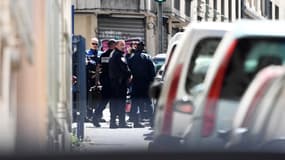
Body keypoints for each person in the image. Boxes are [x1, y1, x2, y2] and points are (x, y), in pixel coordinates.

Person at [127, 41, 156, 128]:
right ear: (143, 48)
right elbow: (153, 71)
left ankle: (136, 122)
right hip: (146, 84)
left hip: (135, 84)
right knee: (148, 103)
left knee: (135, 104)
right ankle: (152, 122)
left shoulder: (131, 58)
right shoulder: (147, 58)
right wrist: (151, 81)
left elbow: (128, 71)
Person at [109, 40, 132, 128]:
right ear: (116, 46)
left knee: (115, 103)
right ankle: (121, 122)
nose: (124, 46)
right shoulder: (118, 55)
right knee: (120, 103)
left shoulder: (114, 54)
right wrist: (129, 74)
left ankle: (113, 122)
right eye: (121, 45)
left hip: (115, 83)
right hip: (119, 83)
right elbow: (124, 68)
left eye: (124, 45)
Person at [92, 39, 116, 127]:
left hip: (104, 80)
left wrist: (97, 81)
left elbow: (98, 69)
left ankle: (95, 118)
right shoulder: (115, 55)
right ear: (112, 45)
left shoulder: (103, 55)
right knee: (112, 101)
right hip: (112, 81)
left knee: (103, 101)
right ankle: (112, 121)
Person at [85, 37, 100, 122]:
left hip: (98, 77)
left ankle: (98, 115)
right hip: (89, 77)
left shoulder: (100, 53)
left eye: (96, 44)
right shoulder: (86, 53)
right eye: (93, 43)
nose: (94, 45)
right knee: (89, 96)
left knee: (98, 96)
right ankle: (89, 114)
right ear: (90, 44)